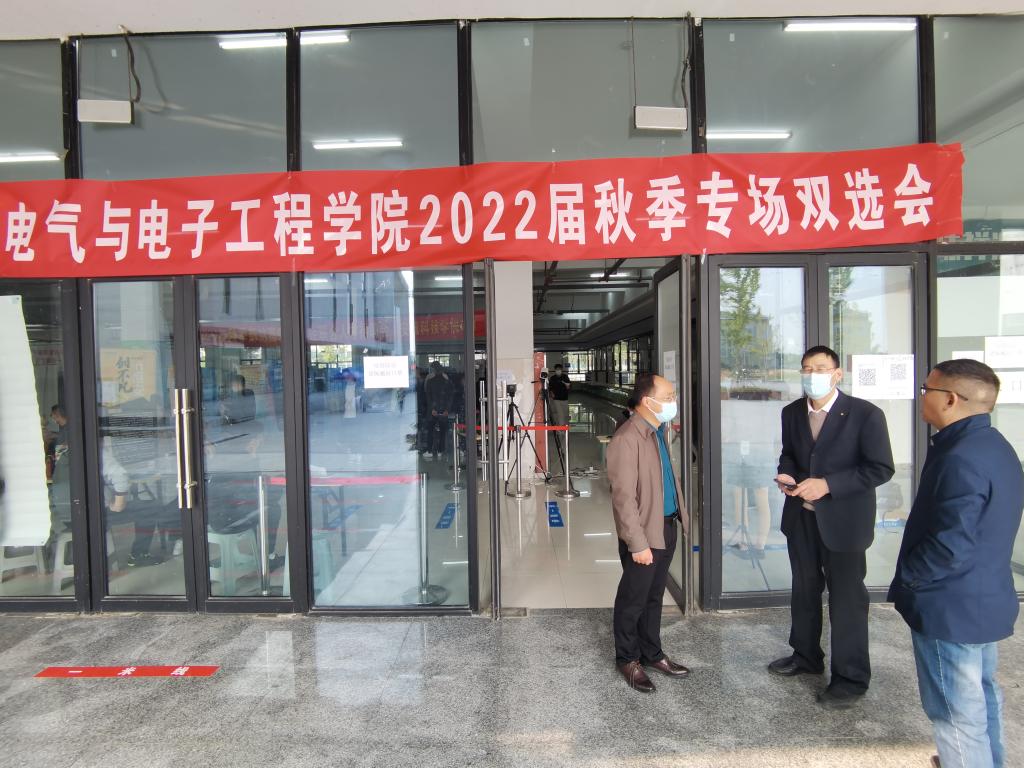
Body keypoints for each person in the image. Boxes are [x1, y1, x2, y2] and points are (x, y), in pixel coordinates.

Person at [889, 360, 1023, 768]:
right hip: (982, 600)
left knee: (955, 716)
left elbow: (949, 546)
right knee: (983, 698)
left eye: (926, 390)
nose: (920, 398)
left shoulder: (960, 456)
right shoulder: (995, 447)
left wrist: (910, 580)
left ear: (949, 399)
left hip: (950, 608)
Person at [771, 345, 894, 708]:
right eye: (807, 368)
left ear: (837, 374)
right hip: (801, 518)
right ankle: (806, 656)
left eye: (821, 368)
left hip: (845, 523)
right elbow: (789, 453)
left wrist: (828, 484)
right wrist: (787, 473)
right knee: (804, 591)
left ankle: (850, 678)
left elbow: (880, 468)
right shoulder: (792, 412)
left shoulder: (865, 414)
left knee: (847, 600)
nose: (813, 375)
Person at [606, 373, 690, 693]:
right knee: (633, 599)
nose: (673, 402)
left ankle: (652, 653)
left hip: (666, 526)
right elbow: (623, 499)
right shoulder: (627, 438)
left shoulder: (657, 431)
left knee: (654, 596)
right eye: (668, 397)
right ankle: (628, 658)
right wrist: (637, 543)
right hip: (643, 535)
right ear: (647, 401)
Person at [423, 361, 453, 460]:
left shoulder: (430, 381)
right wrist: (447, 410)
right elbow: (450, 398)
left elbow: (428, 398)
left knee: (431, 431)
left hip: (433, 411)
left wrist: (432, 409)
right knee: (442, 432)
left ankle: (430, 451)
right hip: (444, 411)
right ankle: (440, 450)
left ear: (434, 370)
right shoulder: (447, 382)